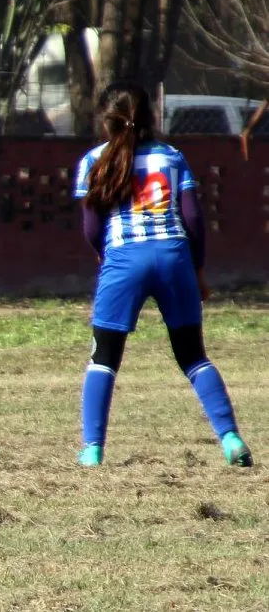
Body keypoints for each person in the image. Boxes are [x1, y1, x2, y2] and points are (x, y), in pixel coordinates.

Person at [73, 80, 252, 467]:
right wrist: (198, 269)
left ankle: (92, 450)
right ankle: (231, 439)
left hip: (124, 260)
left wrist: (105, 255)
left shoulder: (93, 161)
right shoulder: (171, 157)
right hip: (174, 257)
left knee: (104, 357)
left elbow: (91, 226)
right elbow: (193, 219)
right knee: (193, 355)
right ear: (151, 117)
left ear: (106, 121)